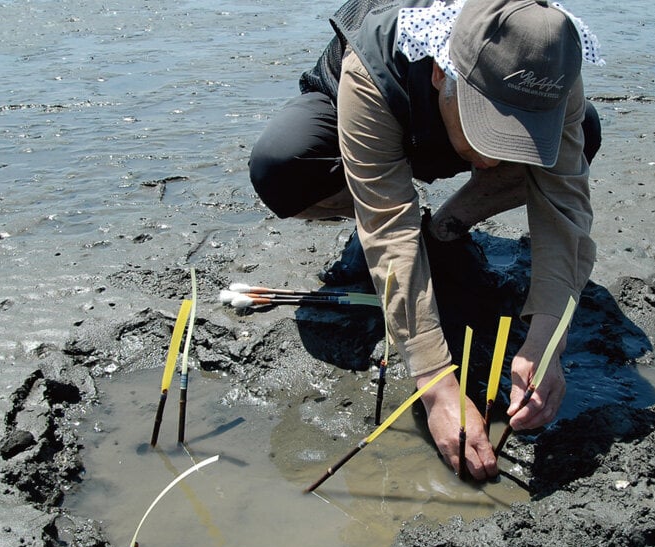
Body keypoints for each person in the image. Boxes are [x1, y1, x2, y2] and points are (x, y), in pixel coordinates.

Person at [249, 0, 602, 480]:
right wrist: (437, 385)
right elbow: (388, 225)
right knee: (281, 165)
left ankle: (444, 230)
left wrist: (548, 338)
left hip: (449, 115)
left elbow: (565, 207)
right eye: (488, 133)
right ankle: (413, 221)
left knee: (586, 134)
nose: (494, 161)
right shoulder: (372, 64)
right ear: (442, 72)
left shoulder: (552, 62)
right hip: (374, 109)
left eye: (514, 138)